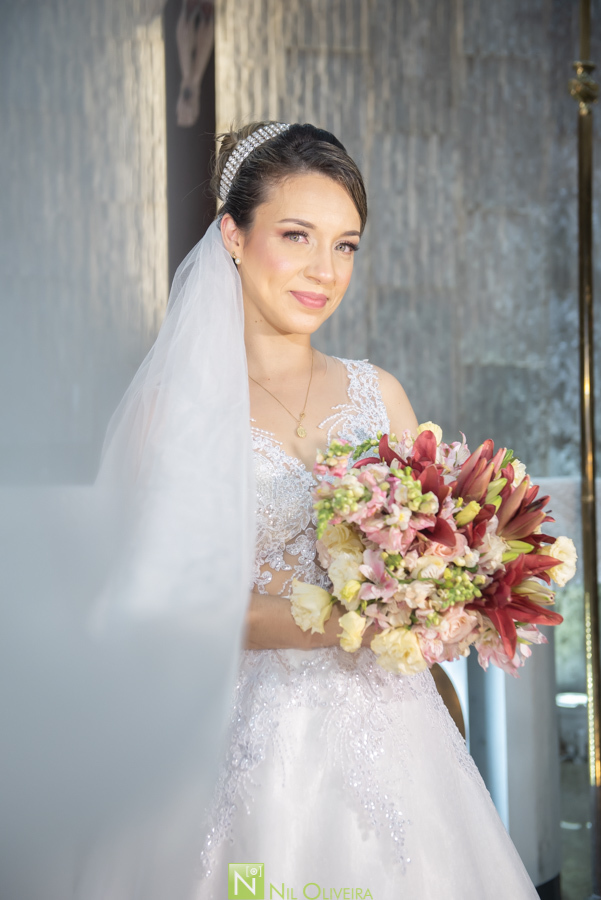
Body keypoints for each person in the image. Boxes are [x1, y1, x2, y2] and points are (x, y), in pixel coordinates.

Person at [192, 121, 540, 899]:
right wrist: (363, 614)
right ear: (233, 236)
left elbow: (434, 540)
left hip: (400, 736)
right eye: (296, 235)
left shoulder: (375, 394)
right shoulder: (183, 411)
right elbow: (181, 604)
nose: (325, 270)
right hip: (256, 746)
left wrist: (455, 593)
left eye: (345, 245)